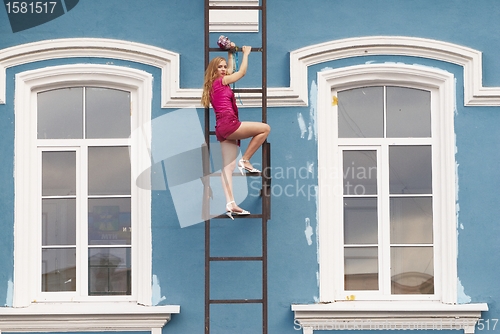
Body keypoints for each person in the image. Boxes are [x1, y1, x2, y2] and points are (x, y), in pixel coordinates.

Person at [201, 44, 270, 219]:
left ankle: (230, 203)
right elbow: (241, 74)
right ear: (213, 69)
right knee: (264, 129)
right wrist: (246, 54)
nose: (224, 70)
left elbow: (231, 71)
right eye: (220, 67)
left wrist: (231, 54)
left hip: (221, 128)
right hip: (229, 123)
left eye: (224, 67)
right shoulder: (220, 81)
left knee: (228, 167)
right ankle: (245, 160)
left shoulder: (213, 85)